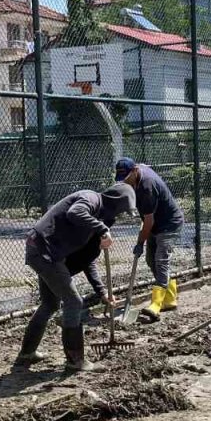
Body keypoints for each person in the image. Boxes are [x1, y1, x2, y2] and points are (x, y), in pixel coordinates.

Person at [17, 182, 136, 372]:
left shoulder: (93, 219)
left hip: (45, 252)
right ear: (115, 204)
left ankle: (26, 354)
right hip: (44, 252)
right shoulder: (91, 199)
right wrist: (102, 228)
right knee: (73, 302)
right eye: (120, 211)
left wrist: (102, 291)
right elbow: (74, 212)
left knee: (50, 304)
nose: (117, 216)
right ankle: (75, 360)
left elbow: (86, 260)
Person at [114, 157, 184, 323]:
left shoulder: (147, 186)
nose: (125, 182)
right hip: (155, 224)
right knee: (151, 261)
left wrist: (140, 242)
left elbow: (148, 221)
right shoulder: (139, 172)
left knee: (161, 261)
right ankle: (170, 299)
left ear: (135, 170)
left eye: (127, 178)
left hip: (168, 224)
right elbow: (147, 220)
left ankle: (156, 305)